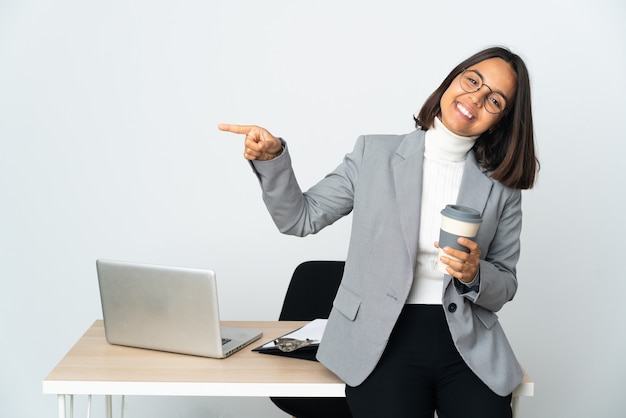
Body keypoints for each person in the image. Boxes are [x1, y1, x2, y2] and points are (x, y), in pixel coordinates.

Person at [219, 46, 538, 418]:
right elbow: (299, 218)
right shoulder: (373, 154)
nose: (476, 98)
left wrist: (475, 275)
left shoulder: (501, 186)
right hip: (380, 340)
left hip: (467, 340)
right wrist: (272, 161)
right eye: (472, 80)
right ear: (453, 79)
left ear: (500, 120)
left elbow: (506, 283)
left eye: (494, 100)